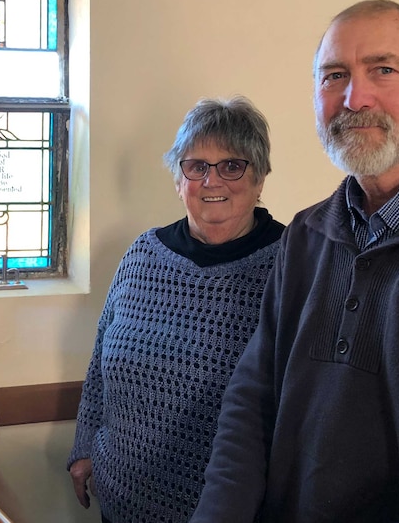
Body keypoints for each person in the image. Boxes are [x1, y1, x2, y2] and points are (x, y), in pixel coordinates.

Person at [191, 0, 399, 522]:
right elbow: (252, 401)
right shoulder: (306, 235)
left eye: (382, 70)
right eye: (334, 75)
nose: (353, 98)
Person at [68, 96, 285, 523]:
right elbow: (101, 363)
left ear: (259, 179)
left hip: (227, 510)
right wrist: (84, 448)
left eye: (232, 166)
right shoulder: (143, 254)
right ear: (178, 179)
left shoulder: (293, 261)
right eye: (196, 166)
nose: (212, 180)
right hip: (121, 500)